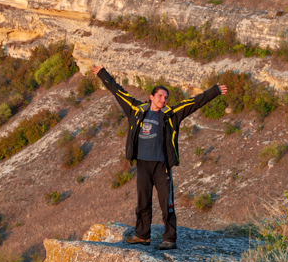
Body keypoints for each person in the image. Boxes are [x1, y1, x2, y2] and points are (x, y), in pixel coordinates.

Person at [92, 65, 227, 250]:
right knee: (143, 201)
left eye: (166, 97)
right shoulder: (136, 109)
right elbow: (117, 91)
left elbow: (194, 102)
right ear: (151, 97)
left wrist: (215, 91)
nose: (164, 100)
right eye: (160, 96)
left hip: (161, 165)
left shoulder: (171, 114)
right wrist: (102, 74)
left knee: (167, 203)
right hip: (142, 164)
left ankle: (169, 239)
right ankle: (142, 235)